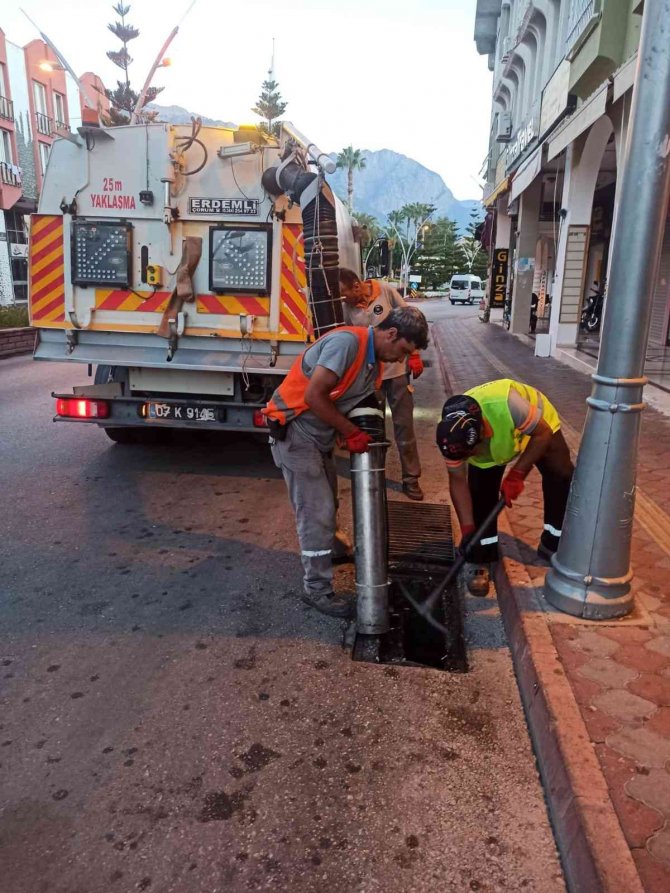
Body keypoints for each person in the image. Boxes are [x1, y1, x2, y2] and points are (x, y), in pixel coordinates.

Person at [264, 307, 429, 618]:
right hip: (296, 431)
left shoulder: (373, 364)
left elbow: (351, 400)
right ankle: (317, 589)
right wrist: (350, 431)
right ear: (391, 334)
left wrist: (352, 431)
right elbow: (314, 396)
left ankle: (334, 551)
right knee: (317, 512)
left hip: (317, 437)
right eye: (403, 351)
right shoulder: (346, 344)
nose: (401, 359)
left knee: (328, 505)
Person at [435, 379, 574, 596]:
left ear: (483, 432)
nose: (475, 455)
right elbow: (458, 481)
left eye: (475, 450)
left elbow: (543, 434)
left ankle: (552, 542)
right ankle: (481, 555)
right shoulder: (450, 437)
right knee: (480, 496)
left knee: (562, 476)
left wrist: (517, 474)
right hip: (503, 440)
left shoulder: (507, 404)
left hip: (539, 427)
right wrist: (468, 529)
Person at [338, 268, 425, 501]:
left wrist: (414, 354)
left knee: (404, 427)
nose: (342, 298)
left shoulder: (385, 291)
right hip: (369, 376)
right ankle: (375, 474)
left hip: (397, 373)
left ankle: (411, 479)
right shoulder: (346, 308)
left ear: (356, 286)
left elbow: (410, 322)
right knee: (374, 429)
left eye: (343, 292)